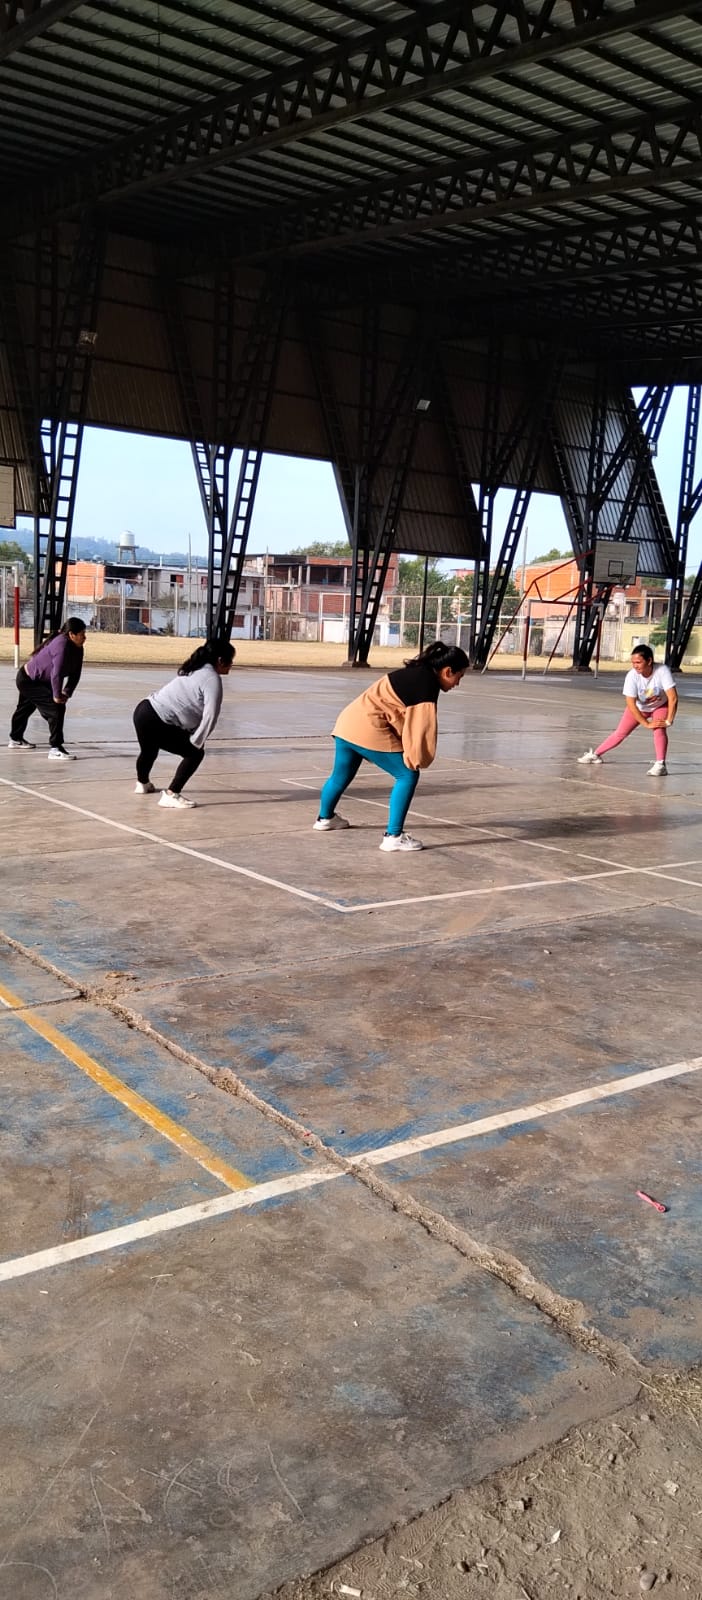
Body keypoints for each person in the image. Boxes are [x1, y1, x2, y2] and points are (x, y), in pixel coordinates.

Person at [314, 640, 469, 851]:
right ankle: (393, 836)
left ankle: (325, 818)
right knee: (407, 775)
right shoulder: (427, 684)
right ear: (447, 671)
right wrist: (415, 761)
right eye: (459, 677)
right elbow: (420, 731)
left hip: (347, 723)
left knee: (340, 775)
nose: (457, 683)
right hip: (368, 727)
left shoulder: (416, 672)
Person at [133, 637, 235, 809]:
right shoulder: (212, 678)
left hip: (143, 711)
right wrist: (197, 741)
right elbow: (210, 716)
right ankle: (171, 794)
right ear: (220, 660)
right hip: (157, 719)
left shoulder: (195, 668)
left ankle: (142, 783)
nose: (231, 665)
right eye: (230, 660)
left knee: (149, 750)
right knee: (195, 754)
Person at [578, 644, 677, 776]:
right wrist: (646, 723)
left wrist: (669, 720)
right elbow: (631, 703)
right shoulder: (632, 676)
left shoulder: (662, 671)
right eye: (633, 662)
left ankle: (660, 765)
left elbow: (673, 697)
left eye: (638, 662)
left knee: (659, 729)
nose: (635, 666)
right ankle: (596, 755)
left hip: (660, 705)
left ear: (649, 661)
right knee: (620, 733)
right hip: (639, 707)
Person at [8, 617, 87, 760]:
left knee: (25, 709)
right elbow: (56, 674)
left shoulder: (78, 648)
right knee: (56, 709)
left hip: (39, 681)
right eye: (82, 634)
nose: (85, 637)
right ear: (71, 634)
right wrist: (57, 696)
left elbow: (76, 673)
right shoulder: (62, 645)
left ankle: (15, 739)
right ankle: (55, 748)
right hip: (28, 680)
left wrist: (67, 692)